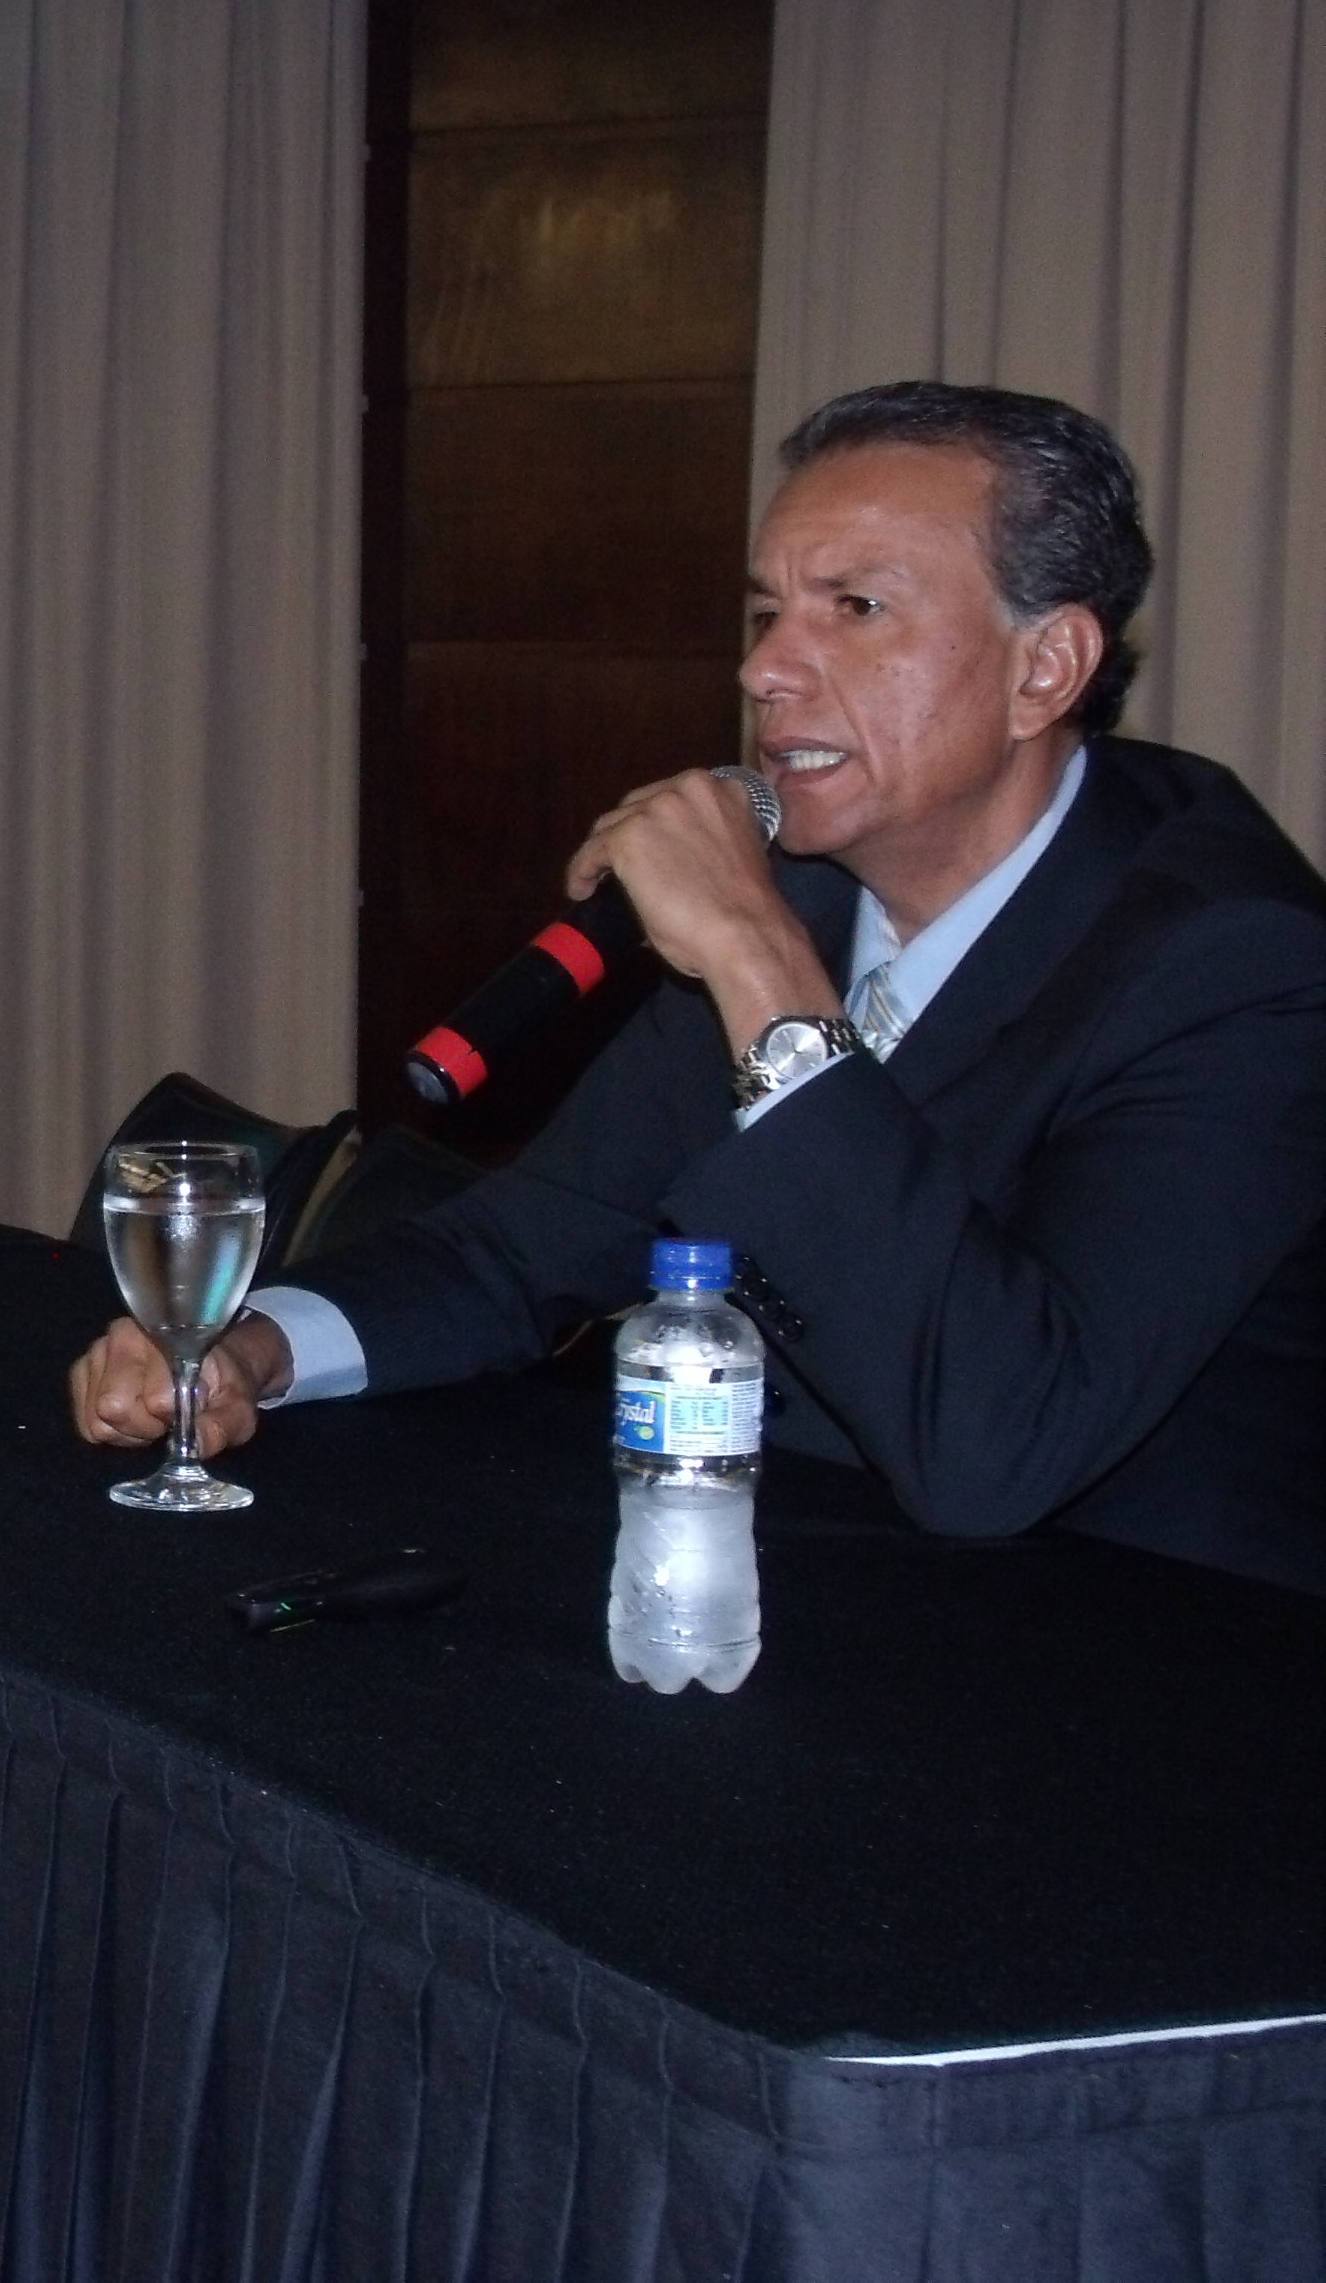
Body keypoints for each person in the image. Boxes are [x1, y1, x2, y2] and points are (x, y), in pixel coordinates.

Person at [71, 381, 1326, 1592]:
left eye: (855, 608)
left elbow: (999, 1442)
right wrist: (255, 1349)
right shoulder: (806, 891)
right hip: (790, 1584)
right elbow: (525, 1248)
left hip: (1129, 1661)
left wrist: (756, 961)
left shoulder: (1237, 964)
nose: (767, 669)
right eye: (767, 612)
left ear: (1044, 668)